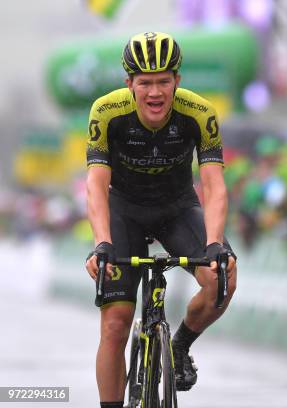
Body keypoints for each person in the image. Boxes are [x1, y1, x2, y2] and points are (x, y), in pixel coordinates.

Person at [84, 32, 237, 408]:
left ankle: (180, 344)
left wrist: (215, 243)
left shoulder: (199, 113)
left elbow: (214, 184)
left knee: (224, 278)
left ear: (177, 82)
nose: (155, 92)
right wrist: (101, 243)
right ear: (129, 84)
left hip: (177, 208)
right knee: (116, 323)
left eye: (163, 82)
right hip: (124, 212)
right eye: (145, 83)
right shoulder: (106, 112)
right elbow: (96, 184)